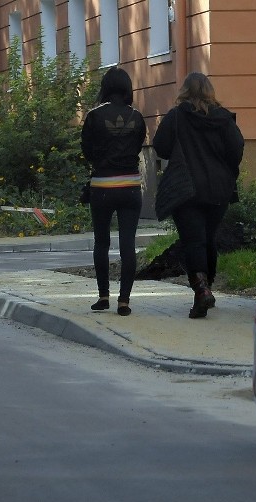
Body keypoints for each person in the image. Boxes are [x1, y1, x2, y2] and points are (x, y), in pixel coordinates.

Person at [153, 73, 245, 318]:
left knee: (193, 241)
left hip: (186, 187)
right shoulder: (224, 119)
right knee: (208, 238)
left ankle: (201, 290)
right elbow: (236, 150)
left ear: (184, 91)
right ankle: (206, 288)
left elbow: (160, 146)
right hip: (218, 189)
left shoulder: (176, 117)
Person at [81, 67, 147, 316]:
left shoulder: (94, 116)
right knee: (127, 243)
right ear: (127, 88)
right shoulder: (137, 116)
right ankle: (125, 301)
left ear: (105, 88)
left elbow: (86, 149)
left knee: (102, 242)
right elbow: (139, 143)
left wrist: (101, 163)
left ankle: (103, 296)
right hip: (130, 187)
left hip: (103, 186)